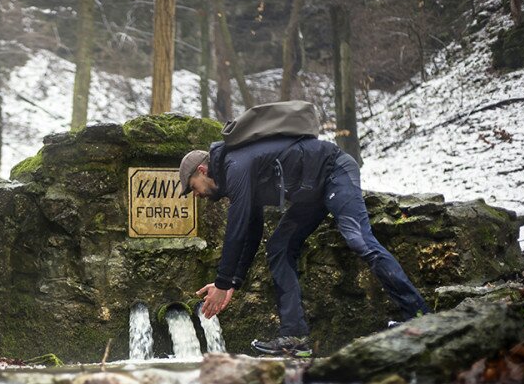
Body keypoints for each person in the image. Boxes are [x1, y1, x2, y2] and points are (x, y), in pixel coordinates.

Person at [179, 136, 430, 357]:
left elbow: (237, 226)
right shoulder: (237, 174)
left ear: (202, 170)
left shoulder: (236, 166)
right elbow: (251, 232)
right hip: (310, 193)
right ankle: (296, 339)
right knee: (278, 247)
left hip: (334, 170)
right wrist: (233, 282)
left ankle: (420, 316)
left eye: (193, 188)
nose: (197, 195)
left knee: (358, 239)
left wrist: (222, 283)